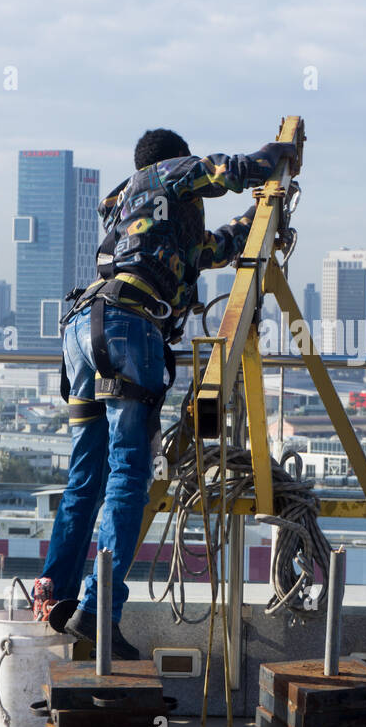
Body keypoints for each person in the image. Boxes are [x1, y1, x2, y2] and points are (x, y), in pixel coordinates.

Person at [32, 127, 300, 659]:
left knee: (87, 472)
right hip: (130, 327)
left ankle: (54, 591)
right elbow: (218, 169)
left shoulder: (132, 211)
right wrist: (274, 158)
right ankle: (98, 612)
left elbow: (214, 250)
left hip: (83, 329)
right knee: (129, 473)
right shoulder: (159, 175)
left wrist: (263, 219)